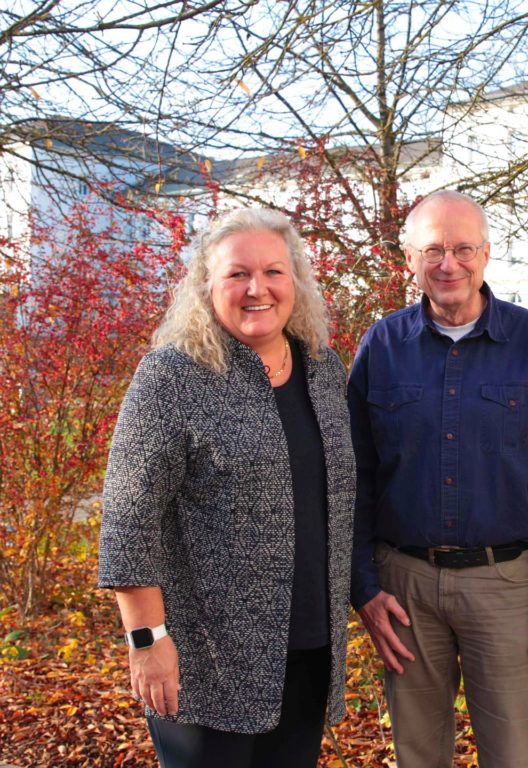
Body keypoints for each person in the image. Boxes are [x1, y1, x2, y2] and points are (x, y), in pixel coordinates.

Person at [98, 208, 356, 768]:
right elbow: (127, 520)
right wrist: (146, 641)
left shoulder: (324, 370)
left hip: (309, 649)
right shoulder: (173, 376)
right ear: (206, 286)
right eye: (237, 274)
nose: (256, 288)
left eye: (273, 272)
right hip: (203, 663)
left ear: (297, 283)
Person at [347, 190, 528, 767]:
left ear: (486, 255)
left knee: (512, 755)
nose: (448, 263)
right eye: (432, 249)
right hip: (403, 587)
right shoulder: (381, 346)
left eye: (463, 248)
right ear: (409, 258)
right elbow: (353, 478)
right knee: (417, 755)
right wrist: (364, 588)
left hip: (506, 587)